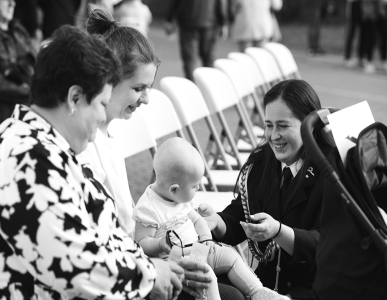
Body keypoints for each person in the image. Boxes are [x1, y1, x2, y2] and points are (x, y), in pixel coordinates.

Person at [0, 25, 184, 300]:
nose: (103, 119)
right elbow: (71, 263)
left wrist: (153, 265)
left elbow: (102, 235)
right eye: (102, 105)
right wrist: (149, 275)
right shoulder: (25, 157)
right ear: (75, 98)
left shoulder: (44, 148)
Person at [79, 6, 246, 300]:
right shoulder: (86, 145)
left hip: (141, 255)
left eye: (149, 87)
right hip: (126, 271)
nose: (146, 99)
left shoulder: (109, 132)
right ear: (108, 79)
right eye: (138, 88)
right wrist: (155, 262)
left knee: (231, 278)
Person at [198, 79, 335, 299]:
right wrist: (217, 221)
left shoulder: (332, 170)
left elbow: (329, 244)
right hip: (267, 285)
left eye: (283, 125)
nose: (273, 135)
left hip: (313, 287)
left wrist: (279, 232)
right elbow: (242, 214)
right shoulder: (264, 162)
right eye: (269, 125)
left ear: (310, 125)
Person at [133, 137, 289, 300]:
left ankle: (258, 292)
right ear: (174, 189)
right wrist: (159, 244)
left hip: (197, 250)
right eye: (194, 186)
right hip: (176, 263)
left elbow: (198, 220)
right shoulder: (148, 208)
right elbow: (141, 243)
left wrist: (206, 237)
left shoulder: (178, 199)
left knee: (231, 256)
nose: (199, 188)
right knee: (207, 278)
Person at [0, 0, 36, 129]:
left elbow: (38, 63)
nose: (12, 4)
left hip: (30, 113)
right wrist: (31, 91)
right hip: (2, 119)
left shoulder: (19, 30)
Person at [165, 0, 228, 81]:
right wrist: (223, 22)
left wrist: (169, 19)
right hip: (209, 23)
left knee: (190, 59)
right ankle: (210, 87)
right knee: (208, 58)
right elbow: (221, 2)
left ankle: (192, 87)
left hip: (188, 22)